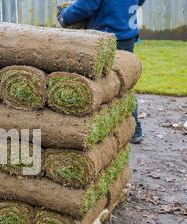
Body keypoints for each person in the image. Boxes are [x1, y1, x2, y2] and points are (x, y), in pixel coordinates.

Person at [58, 0, 146, 143]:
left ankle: (106, 129)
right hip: (127, 35)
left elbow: (86, 5)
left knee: (103, 82)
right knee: (125, 84)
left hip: (107, 37)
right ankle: (134, 129)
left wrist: (65, 16)